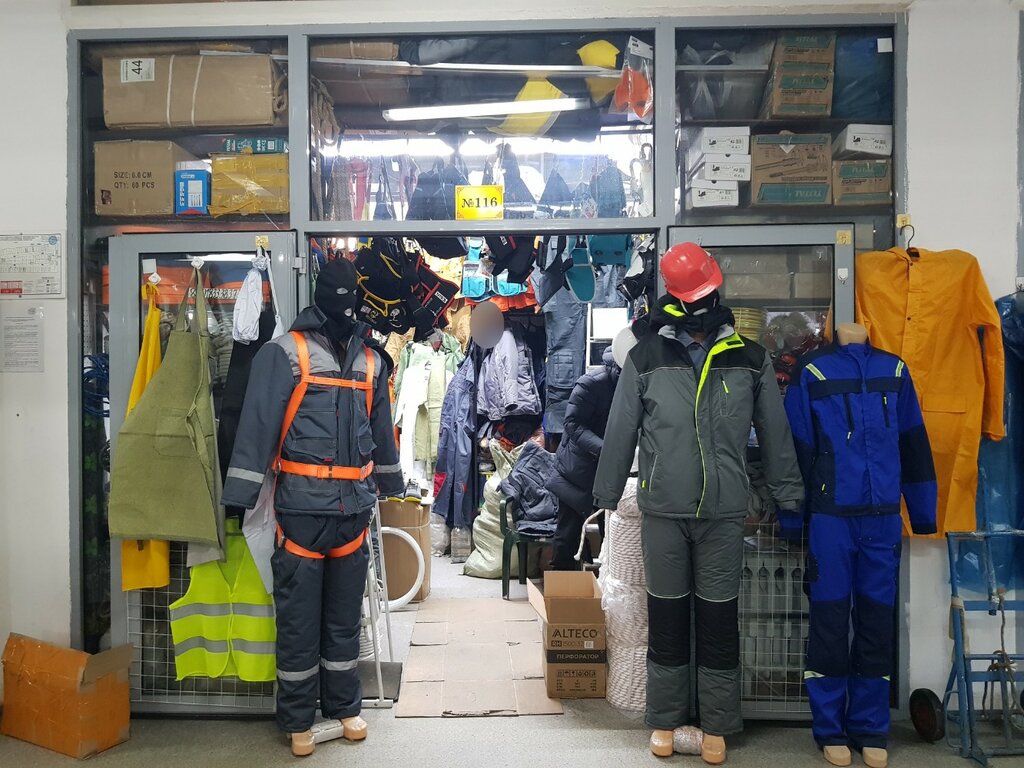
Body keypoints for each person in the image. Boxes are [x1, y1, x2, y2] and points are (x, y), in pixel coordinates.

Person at [593, 242, 804, 765]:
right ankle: (665, 719)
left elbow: (775, 434)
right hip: (664, 511)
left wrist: (788, 495)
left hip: (724, 514)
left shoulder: (749, 358)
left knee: (717, 620)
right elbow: (621, 429)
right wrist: (606, 495)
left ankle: (717, 723)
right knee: (667, 619)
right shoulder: (647, 357)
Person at [222, 258, 404, 757]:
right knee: (299, 624)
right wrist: (238, 498)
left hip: (352, 515)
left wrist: (390, 484)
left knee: (344, 623)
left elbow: (381, 433)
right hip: (300, 514)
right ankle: (298, 718)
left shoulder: (372, 360)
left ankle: (345, 708)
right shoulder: (284, 353)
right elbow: (256, 426)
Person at [783, 323, 936, 768]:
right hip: (831, 519)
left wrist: (922, 511)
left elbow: (914, 443)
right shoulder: (814, 371)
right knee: (829, 623)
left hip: (883, 520)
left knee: (876, 624)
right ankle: (830, 729)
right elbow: (797, 449)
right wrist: (793, 517)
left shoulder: (894, 370)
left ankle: (870, 728)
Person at [548, 346, 619, 570]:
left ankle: (603, 587)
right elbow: (572, 424)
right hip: (577, 472)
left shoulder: (636, 382)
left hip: (612, 471)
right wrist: (606, 449)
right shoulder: (592, 383)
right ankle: (562, 588)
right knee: (568, 537)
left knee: (616, 536)